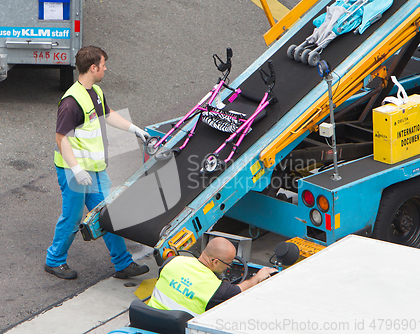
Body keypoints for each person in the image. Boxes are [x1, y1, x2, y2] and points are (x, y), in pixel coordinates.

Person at [45, 45, 151, 280]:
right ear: (93, 68)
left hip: (93, 170)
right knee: (72, 218)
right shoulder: (71, 102)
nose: (105, 68)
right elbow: (61, 139)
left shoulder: (96, 91)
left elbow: (108, 113)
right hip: (74, 171)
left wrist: (134, 129)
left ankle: (123, 263)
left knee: (109, 214)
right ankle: (54, 260)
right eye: (103, 65)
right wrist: (76, 169)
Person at [148, 237, 277, 316]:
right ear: (215, 261)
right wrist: (258, 277)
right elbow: (240, 289)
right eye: (228, 264)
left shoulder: (172, 262)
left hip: (146, 319)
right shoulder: (217, 288)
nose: (228, 268)